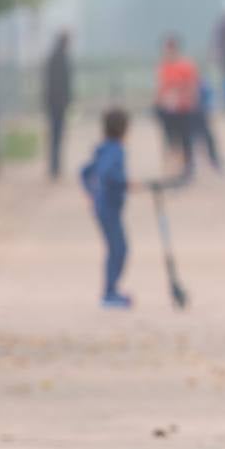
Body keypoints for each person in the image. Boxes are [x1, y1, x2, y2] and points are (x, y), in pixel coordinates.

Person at [80, 108, 138, 309]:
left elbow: (85, 171)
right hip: (109, 207)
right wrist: (124, 183)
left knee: (116, 248)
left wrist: (89, 191)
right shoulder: (116, 150)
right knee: (118, 249)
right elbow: (108, 173)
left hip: (103, 205)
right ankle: (109, 292)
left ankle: (111, 290)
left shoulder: (103, 148)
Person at [154, 36, 200, 178]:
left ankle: (187, 167)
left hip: (184, 108)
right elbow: (160, 88)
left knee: (185, 139)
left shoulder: (186, 66)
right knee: (170, 139)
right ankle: (174, 166)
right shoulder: (163, 66)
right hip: (168, 109)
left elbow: (192, 86)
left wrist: (181, 94)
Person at [43, 31, 73, 180]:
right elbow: (62, 84)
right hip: (58, 104)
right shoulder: (60, 58)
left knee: (55, 135)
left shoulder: (53, 57)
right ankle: (55, 167)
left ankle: (55, 167)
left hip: (54, 103)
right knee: (57, 135)